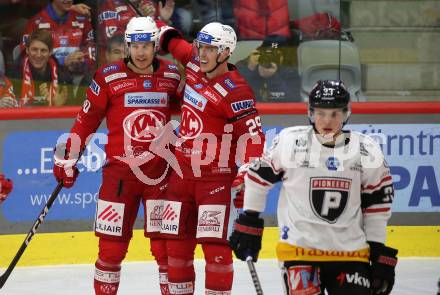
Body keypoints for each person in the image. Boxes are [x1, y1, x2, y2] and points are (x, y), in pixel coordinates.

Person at [229, 80, 398, 295]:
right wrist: (249, 219)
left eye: (335, 114)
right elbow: (258, 177)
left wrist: (377, 249)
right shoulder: (291, 142)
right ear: (310, 112)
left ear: (346, 114)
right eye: (321, 113)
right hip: (299, 251)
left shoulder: (366, 149)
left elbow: (378, 204)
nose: (327, 120)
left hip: (351, 254)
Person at [52, 16, 181, 295]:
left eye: (147, 45)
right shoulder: (108, 76)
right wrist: (68, 155)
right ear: (127, 46)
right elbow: (86, 121)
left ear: (155, 46)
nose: (141, 51)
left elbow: (191, 111)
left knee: (167, 249)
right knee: (110, 249)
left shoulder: (172, 75)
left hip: (160, 175)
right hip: (119, 175)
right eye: (136, 45)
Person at [158, 21, 265, 294]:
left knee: (216, 250)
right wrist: (154, 20)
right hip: (181, 176)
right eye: (200, 46)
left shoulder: (236, 91)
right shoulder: (194, 63)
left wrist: (246, 174)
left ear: (226, 52)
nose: (202, 54)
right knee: (176, 248)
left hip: (214, 182)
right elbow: (171, 40)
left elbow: (254, 139)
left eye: (210, 49)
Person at [21, 0, 95, 71]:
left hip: (79, 77)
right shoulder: (35, 23)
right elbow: (25, 57)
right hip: (48, 78)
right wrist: (62, 62)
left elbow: (91, 50)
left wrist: (82, 62)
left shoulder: (82, 20)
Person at [8, 29, 71, 106]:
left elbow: (74, 105)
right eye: (34, 50)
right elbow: (9, 106)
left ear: (50, 52)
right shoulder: (13, 74)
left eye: (43, 50)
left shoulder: (62, 74)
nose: (38, 55)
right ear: (27, 50)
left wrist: (59, 106)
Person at [236, 35, 301, 102]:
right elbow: (238, 97)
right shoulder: (244, 68)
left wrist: (273, 77)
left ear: (283, 56)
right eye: (266, 53)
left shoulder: (290, 73)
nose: (270, 57)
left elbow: (293, 100)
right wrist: (250, 70)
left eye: (275, 54)